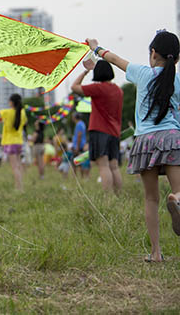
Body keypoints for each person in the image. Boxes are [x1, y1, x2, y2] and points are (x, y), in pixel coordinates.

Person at [86, 33, 180, 262]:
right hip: (171, 137)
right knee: (178, 190)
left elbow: (115, 59)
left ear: (153, 54)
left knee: (150, 199)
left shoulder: (142, 73)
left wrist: (96, 49)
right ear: (176, 60)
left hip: (145, 141)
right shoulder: (176, 81)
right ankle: (176, 199)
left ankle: (156, 253)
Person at [71, 59, 124, 193]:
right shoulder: (118, 91)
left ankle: (108, 198)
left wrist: (85, 71)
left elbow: (74, 87)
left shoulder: (98, 88)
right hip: (114, 132)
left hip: (100, 130)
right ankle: (118, 196)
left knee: (103, 166)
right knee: (114, 166)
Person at [0, 92, 26, 191]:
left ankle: (19, 188)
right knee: (18, 165)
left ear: (11, 102)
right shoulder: (22, 112)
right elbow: (24, 122)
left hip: (10, 142)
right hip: (19, 142)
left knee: (14, 167)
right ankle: (19, 186)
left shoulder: (7, 112)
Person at [71, 113, 90, 178]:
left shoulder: (78, 124)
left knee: (75, 162)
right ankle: (82, 176)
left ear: (75, 117)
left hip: (78, 146)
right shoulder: (82, 123)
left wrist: (77, 147)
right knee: (81, 161)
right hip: (82, 145)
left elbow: (79, 135)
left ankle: (75, 177)